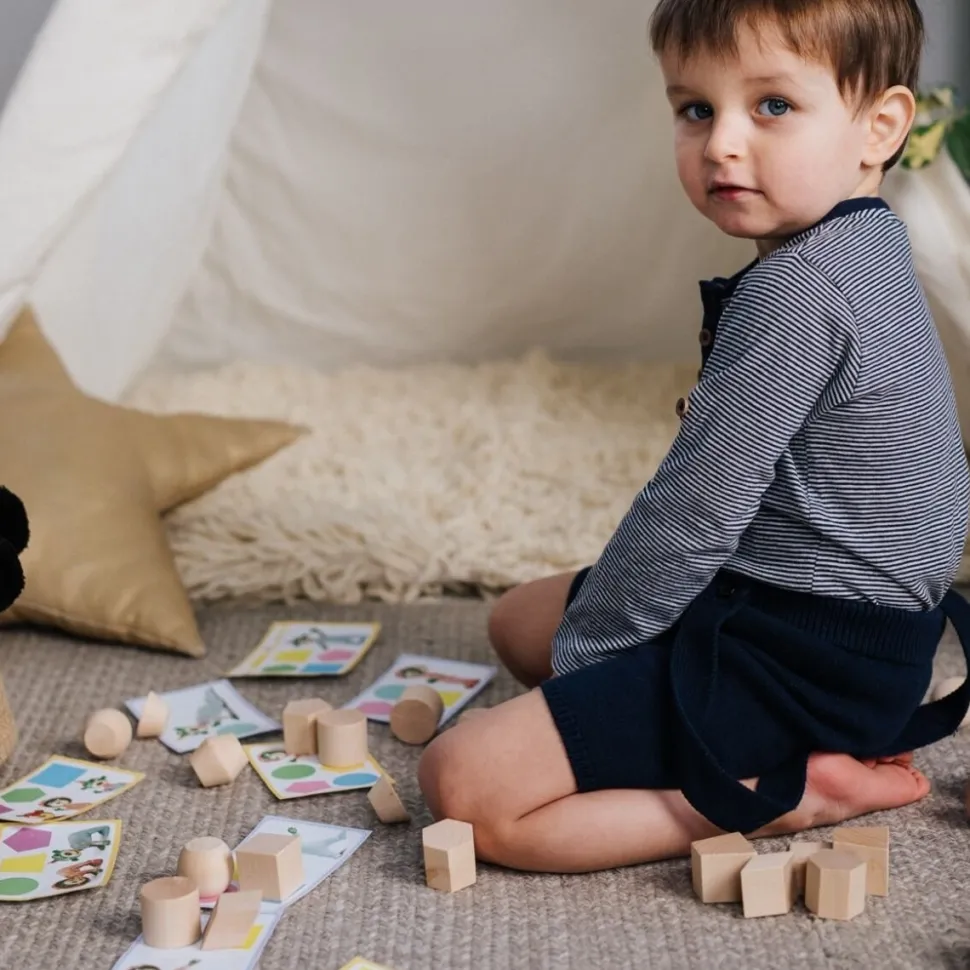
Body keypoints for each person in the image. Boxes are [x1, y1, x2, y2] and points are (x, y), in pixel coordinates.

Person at [417, 0, 970, 873]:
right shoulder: (863, 244)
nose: (722, 144)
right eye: (696, 109)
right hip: (828, 626)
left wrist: (596, 662)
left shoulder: (800, 293)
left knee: (466, 785)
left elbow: (691, 515)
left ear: (880, 127)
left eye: (773, 106)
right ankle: (755, 741)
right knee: (518, 621)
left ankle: (780, 796)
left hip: (807, 657)